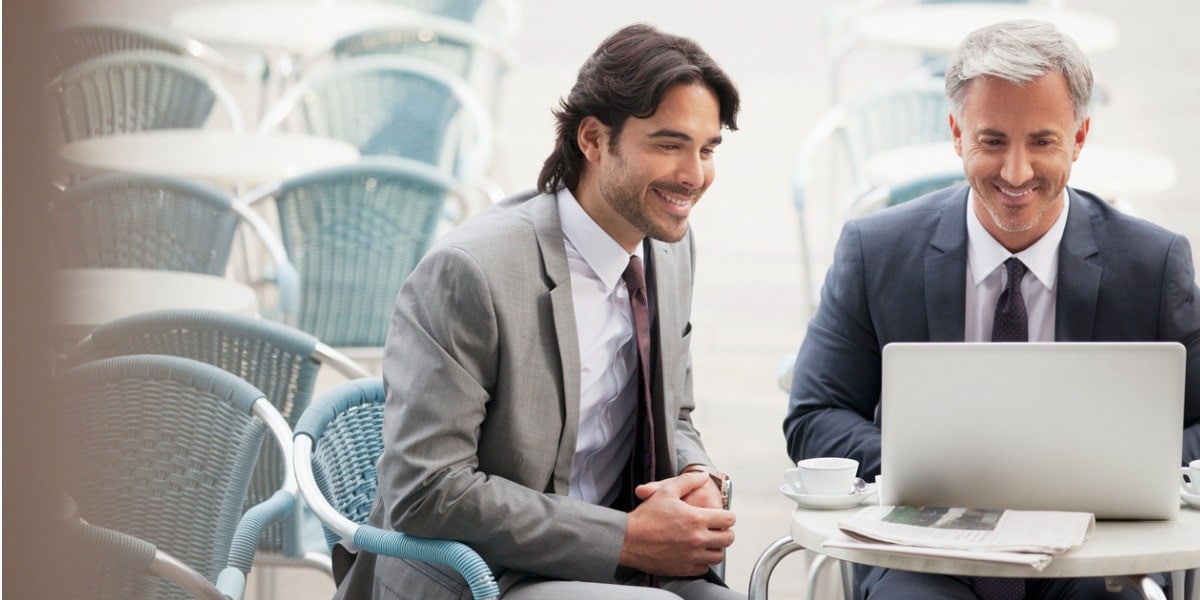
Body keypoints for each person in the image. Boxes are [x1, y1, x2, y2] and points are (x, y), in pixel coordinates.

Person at [783, 19, 1200, 600]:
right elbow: (814, 415)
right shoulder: (876, 252)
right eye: (992, 140)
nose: (1016, 173)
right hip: (927, 558)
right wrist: (927, 465)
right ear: (957, 133)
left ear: (1079, 138)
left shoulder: (1153, 264)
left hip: (1094, 553)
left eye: (1043, 142)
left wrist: (1130, 466)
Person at [333, 23, 745, 600]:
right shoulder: (470, 272)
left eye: (706, 150)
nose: (694, 176)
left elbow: (675, 414)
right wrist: (624, 537)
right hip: (483, 575)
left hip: (615, 566)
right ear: (594, 140)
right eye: (668, 145)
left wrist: (699, 476)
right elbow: (424, 489)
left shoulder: (668, 251)